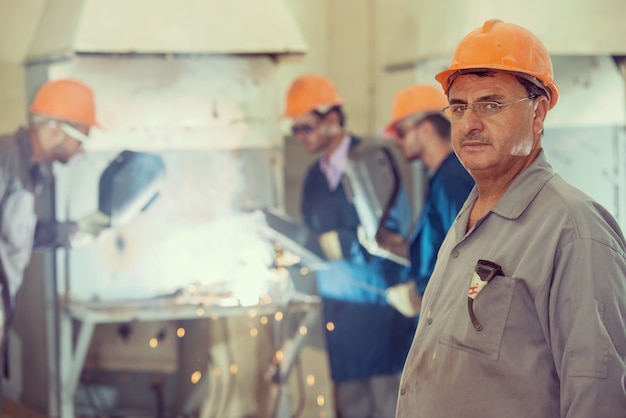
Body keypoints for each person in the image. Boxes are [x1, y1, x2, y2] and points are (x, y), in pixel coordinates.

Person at [396, 19, 626, 417]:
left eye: (491, 104)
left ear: (538, 114)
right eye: (459, 107)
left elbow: (597, 395)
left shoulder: (574, 231)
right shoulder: (467, 223)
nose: (470, 123)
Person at [284, 74, 413, 418]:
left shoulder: (372, 161)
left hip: (378, 306)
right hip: (339, 312)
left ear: (333, 118)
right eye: (295, 131)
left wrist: (341, 244)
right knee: (349, 407)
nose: (301, 137)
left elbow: (396, 236)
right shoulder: (314, 177)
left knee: (387, 405)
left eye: (306, 128)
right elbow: (313, 240)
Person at [0, 78, 102, 387]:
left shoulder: (31, 171)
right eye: (81, 137)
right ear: (55, 128)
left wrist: (74, 232)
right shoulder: (4, 159)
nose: (82, 149)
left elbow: (17, 235)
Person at [383, 84, 474, 311]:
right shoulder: (444, 176)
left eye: (401, 132)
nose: (397, 141)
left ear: (426, 129)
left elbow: (466, 253)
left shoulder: (450, 179)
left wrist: (423, 297)